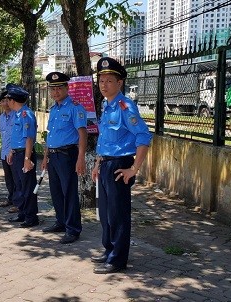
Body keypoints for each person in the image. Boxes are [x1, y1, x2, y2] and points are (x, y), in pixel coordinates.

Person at [91, 57, 153, 274]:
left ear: (120, 83)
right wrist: (98, 162)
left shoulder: (125, 106)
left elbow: (143, 137)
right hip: (106, 163)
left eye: (109, 80)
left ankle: (117, 260)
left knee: (118, 215)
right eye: (101, 80)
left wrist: (134, 169)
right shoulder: (106, 106)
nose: (104, 84)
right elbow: (105, 138)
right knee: (106, 213)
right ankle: (109, 251)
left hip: (120, 165)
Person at [40, 72, 88, 244]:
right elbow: (50, 136)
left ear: (67, 88)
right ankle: (61, 222)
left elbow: (82, 134)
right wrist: (45, 157)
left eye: (59, 88)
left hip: (68, 156)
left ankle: (73, 229)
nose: (56, 92)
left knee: (69, 193)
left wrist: (81, 158)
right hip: (53, 156)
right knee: (56, 192)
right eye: (53, 89)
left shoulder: (75, 108)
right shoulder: (53, 110)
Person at [5, 83, 40, 228]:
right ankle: (23, 213)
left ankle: (31, 217)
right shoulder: (18, 114)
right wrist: (12, 151)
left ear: (13, 100)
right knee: (20, 186)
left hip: (25, 156)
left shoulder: (26, 115)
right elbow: (18, 137)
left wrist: (27, 159)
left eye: (8, 99)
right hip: (17, 154)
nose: (7, 102)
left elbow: (29, 139)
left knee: (27, 187)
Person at [0, 90, 17, 213]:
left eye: (7, 100)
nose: (6, 103)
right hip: (4, 152)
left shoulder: (17, 115)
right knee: (8, 178)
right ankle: (10, 198)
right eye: (3, 100)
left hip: (14, 152)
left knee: (17, 179)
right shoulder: (2, 117)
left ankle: (17, 202)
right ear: (0, 103)